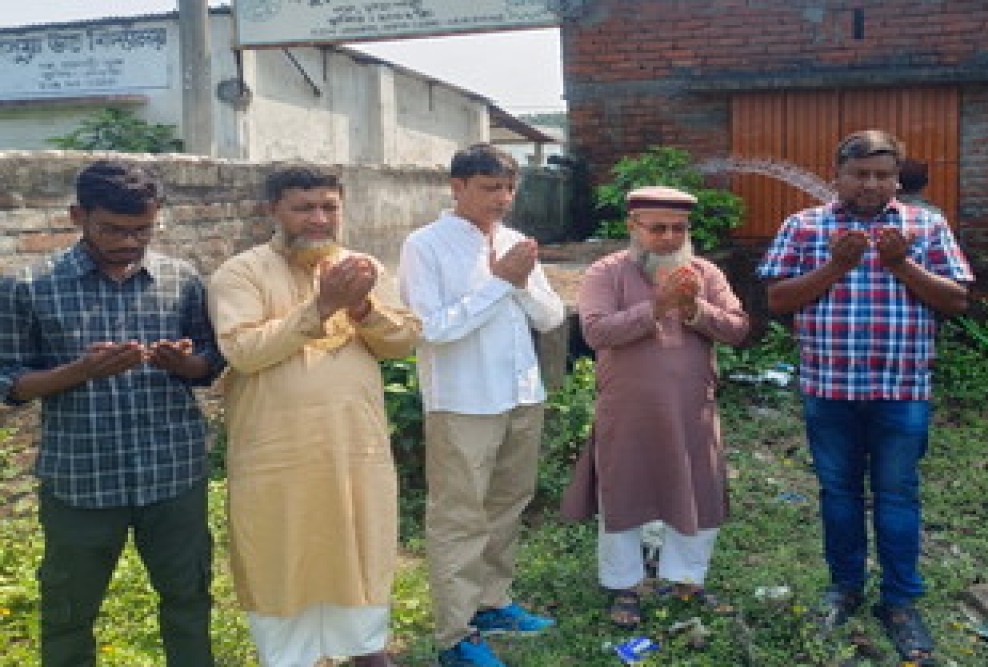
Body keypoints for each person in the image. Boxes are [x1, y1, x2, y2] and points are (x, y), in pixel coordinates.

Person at [756, 129, 973, 665]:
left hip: (901, 388)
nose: (872, 184)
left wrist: (901, 264)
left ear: (897, 178)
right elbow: (778, 300)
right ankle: (844, 588)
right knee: (839, 493)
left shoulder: (926, 225)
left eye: (883, 175)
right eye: (861, 174)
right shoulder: (804, 226)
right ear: (839, 176)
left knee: (898, 495)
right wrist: (835, 266)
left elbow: (957, 300)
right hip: (829, 388)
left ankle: (901, 603)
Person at [0, 160, 223, 666]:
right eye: (112, 230)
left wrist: (183, 363)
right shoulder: (30, 286)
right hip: (81, 479)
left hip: (173, 473)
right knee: (68, 610)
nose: (128, 242)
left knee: (188, 598)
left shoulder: (180, 279)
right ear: (78, 215)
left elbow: (210, 362)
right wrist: (79, 371)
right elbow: (9, 381)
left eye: (142, 229)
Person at [207, 167, 421, 667]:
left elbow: (404, 341)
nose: (319, 219)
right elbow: (243, 351)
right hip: (277, 454)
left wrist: (364, 307)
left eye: (329, 207)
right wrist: (321, 307)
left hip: (353, 448)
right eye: (304, 207)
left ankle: (366, 648)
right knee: (282, 553)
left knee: (359, 543)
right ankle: (290, 658)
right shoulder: (240, 273)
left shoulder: (361, 267)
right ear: (273, 211)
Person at [398, 143, 565, 667]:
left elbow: (551, 317)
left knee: (507, 504)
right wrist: (499, 283)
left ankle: (493, 602)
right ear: (458, 187)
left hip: (520, 393)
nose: (502, 198)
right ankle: (455, 634)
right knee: (458, 516)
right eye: (489, 187)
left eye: (508, 188)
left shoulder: (516, 242)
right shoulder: (425, 245)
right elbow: (433, 329)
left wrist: (517, 283)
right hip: (463, 401)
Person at [560, 185, 751, 628]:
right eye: (657, 228)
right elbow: (596, 332)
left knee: (696, 488)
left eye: (678, 229)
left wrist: (694, 308)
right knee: (624, 491)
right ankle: (624, 586)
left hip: (691, 408)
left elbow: (738, 328)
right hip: (628, 410)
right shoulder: (606, 273)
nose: (668, 237)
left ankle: (686, 579)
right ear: (633, 228)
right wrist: (657, 306)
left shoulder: (706, 272)